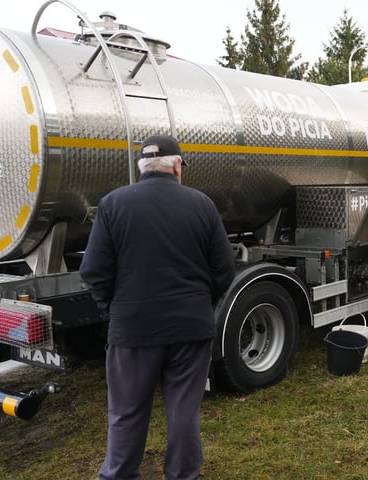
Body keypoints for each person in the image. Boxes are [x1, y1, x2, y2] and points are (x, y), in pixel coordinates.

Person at [79, 134, 236, 479]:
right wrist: (199, 303)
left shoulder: (113, 204)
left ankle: (119, 474)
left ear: (141, 168)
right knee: (183, 413)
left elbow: (93, 271)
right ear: (177, 166)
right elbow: (224, 269)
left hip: (132, 330)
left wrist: (116, 310)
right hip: (190, 329)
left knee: (126, 413)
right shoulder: (202, 204)